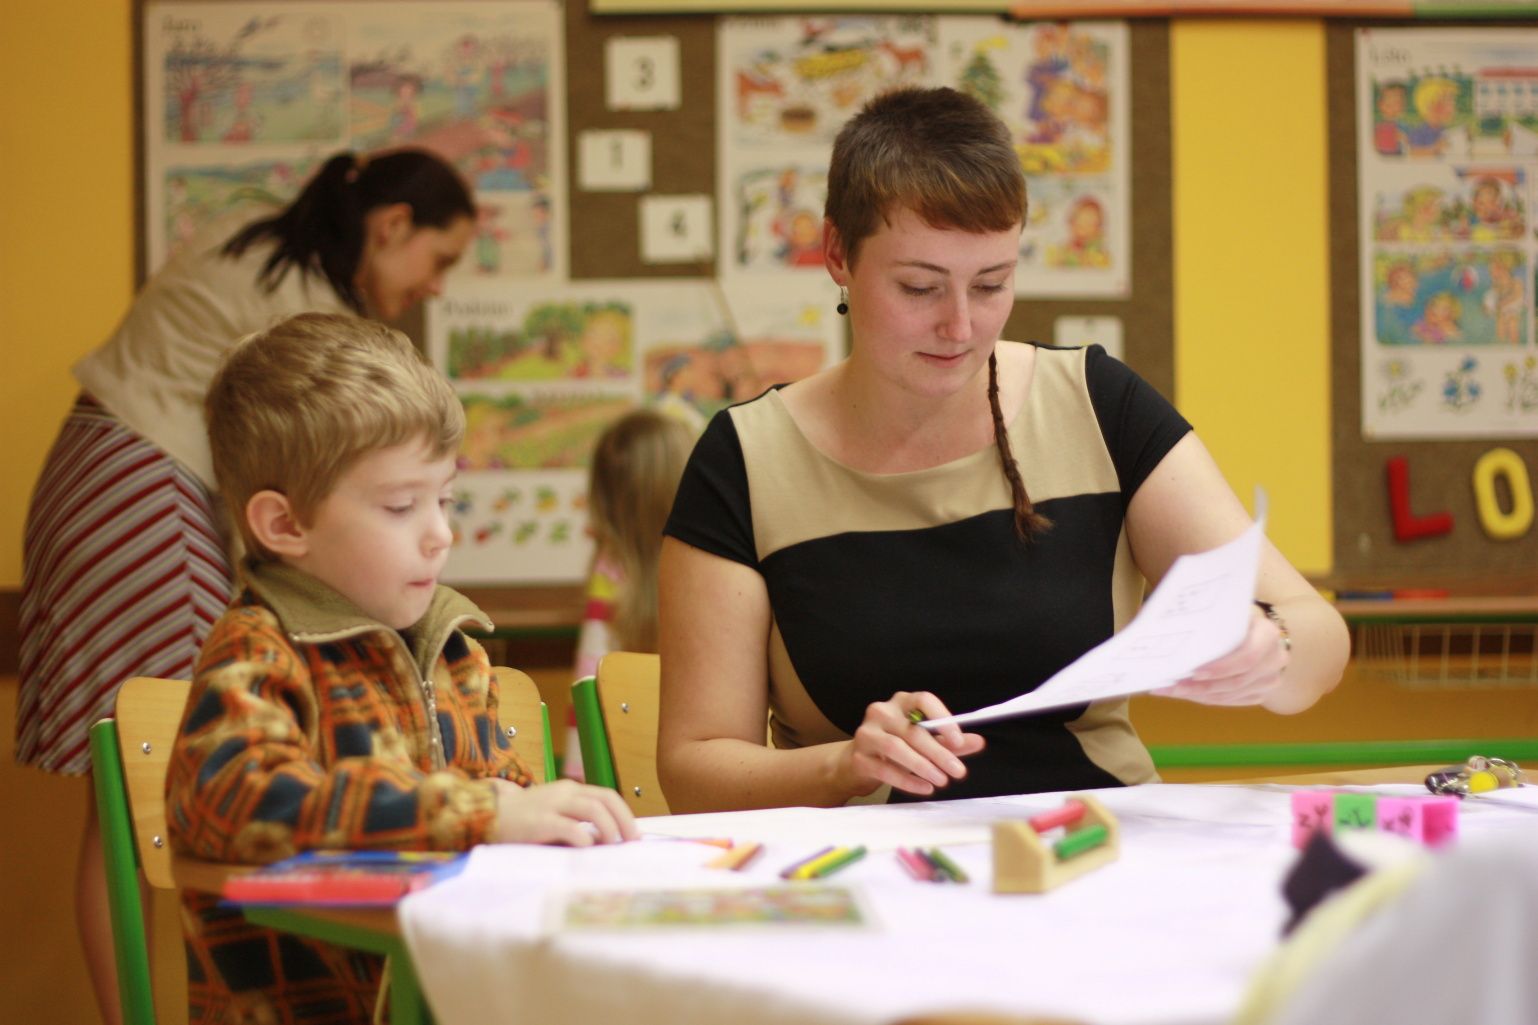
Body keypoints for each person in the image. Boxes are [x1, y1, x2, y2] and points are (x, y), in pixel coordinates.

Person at [656, 87, 1349, 813]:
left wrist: (1271, 650)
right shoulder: (746, 462)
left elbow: (1319, 634)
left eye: (991, 284)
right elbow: (693, 770)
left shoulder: (1094, 405)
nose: (960, 326)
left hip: (1101, 841)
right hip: (871, 861)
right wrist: (843, 766)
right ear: (837, 254)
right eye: (919, 287)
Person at [14, 147, 476, 1025]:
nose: (436, 285)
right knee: (146, 772)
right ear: (392, 226)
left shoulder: (260, 239)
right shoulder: (304, 313)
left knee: (130, 784)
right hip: (141, 489)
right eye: (439, 257)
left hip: (99, 474)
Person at [167, 313, 638, 1022]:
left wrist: (546, 817)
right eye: (400, 506)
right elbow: (236, 800)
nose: (440, 533)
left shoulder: (454, 650)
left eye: (444, 499)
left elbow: (502, 801)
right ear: (285, 525)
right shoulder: (259, 649)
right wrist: (484, 812)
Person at [566, 409, 695, 779]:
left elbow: (588, 689)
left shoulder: (610, 572)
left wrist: (579, 778)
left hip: (635, 774)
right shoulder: (616, 573)